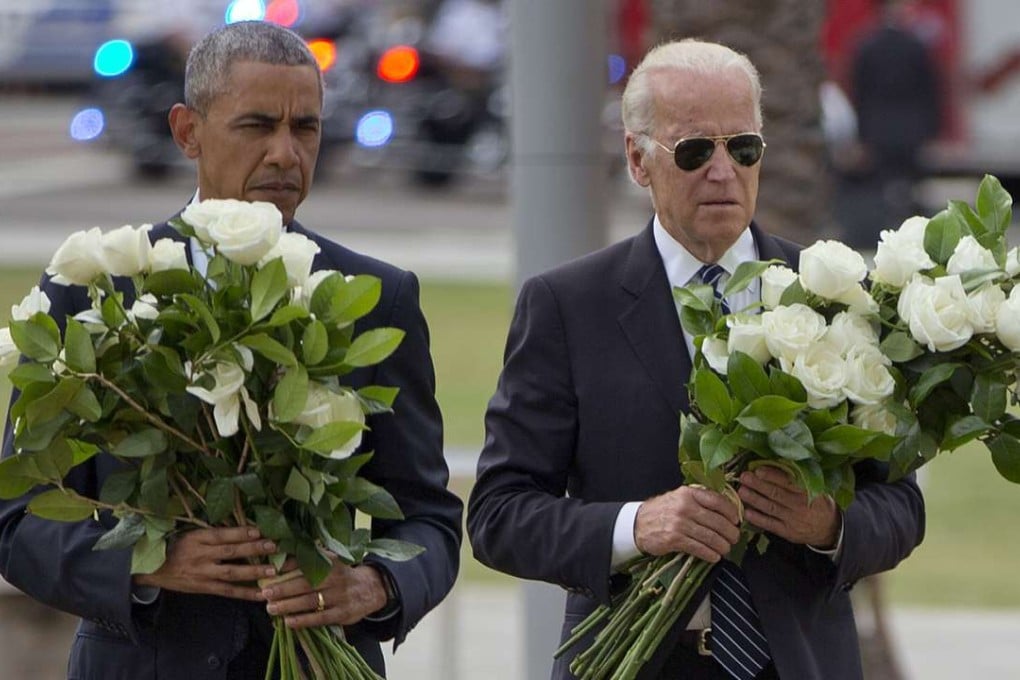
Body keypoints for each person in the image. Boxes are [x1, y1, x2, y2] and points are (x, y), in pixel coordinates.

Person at [0, 21, 462, 679]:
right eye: (256, 126)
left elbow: (429, 521)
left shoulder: (374, 298)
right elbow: (16, 520)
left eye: (305, 128)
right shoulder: (95, 289)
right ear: (187, 130)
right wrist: (148, 563)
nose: (285, 153)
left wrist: (374, 587)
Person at [467, 39, 925, 680]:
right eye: (693, 150)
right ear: (637, 159)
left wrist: (827, 523)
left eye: (743, 148)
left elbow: (901, 507)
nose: (722, 170)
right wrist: (636, 526)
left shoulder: (834, 294)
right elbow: (498, 514)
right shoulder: (568, 306)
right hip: (631, 663)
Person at [848, 0, 942, 242]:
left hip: (877, 130)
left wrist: (861, 135)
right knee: (912, 187)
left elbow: (860, 94)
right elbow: (930, 92)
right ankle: (915, 236)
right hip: (912, 130)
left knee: (881, 187)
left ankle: (883, 236)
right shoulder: (917, 46)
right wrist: (931, 130)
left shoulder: (866, 45)